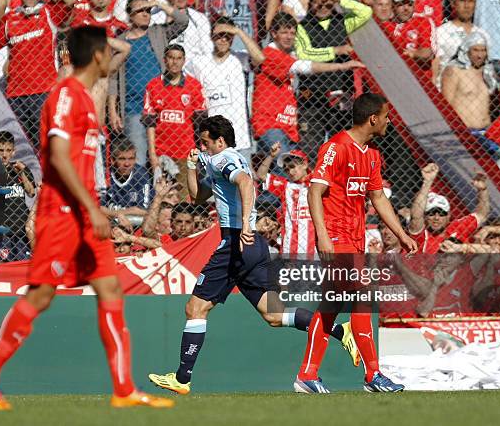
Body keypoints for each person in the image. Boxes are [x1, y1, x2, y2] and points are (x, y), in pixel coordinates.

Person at [0, 26, 174, 410]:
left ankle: (124, 389)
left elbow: (114, 58)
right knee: (41, 295)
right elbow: (59, 158)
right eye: (102, 51)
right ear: (96, 56)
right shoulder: (65, 95)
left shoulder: (83, 94)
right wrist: (93, 209)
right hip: (62, 212)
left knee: (110, 291)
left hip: (84, 213)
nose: (107, 58)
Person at [148, 115, 360, 396]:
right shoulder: (218, 162)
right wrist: (190, 168)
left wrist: (247, 222)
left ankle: (182, 378)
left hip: (237, 241)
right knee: (274, 315)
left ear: (220, 141)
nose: (203, 145)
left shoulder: (224, 159)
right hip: (253, 246)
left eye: (206, 141)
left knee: (195, 309)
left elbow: (247, 184)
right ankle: (340, 331)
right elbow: (199, 197)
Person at [306, 93, 417, 392]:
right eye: (386, 116)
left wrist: (402, 234)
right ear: (373, 119)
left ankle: (307, 375)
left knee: (330, 306)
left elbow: (378, 197)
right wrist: (323, 235)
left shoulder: (372, 155)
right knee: (364, 295)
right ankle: (373, 375)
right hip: (336, 237)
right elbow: (314, 191)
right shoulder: (335, 148)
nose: (389, 121)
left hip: (355, 240)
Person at [252, 12, 364, 164]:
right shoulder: (270, 54)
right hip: (271, 125)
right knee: (282, 172)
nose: (289, 36)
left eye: (292, 33)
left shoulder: (290, 54)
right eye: (284, 32)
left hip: (289, 127)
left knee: (292, 175)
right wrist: (342, 65)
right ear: (274, 33)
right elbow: (304, 67)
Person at [109, 0, 188, 166]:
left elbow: (183, 21)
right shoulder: (121, 41)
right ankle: (142, 191)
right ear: (130, 15)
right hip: (134, 109)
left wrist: (159, 4)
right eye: (141, 10)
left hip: (161, 109)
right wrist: (113, 110)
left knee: (165, 160)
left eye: (148, 10)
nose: (146, 13)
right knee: (139, 161)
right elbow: (113, 77)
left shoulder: (159, 32)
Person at [0, 0, 76, 150]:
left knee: (45, 144)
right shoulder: (9, 18)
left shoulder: (49, 11)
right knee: (20, 147)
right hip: (15, 94)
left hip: (43, 92)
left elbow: (71, 1)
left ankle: (46, 173)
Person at [294, 0, 372, 154]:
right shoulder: (301, 26)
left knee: (344, 150)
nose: (323, 6)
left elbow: (366, 12)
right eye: (318, 2)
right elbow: (304, 53)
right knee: (310, 151)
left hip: (340, 96)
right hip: (311, 97)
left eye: (328, 3)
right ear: (310, 3)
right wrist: (335, 50)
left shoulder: (343, 22)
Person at [185, 16, 265, 160]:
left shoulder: (240, 59)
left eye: (228, 36)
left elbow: (260, 58)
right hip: (211, 137)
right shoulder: (198, 63)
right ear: (212, 36)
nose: (223, 39)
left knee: (243, 180)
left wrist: (237, 31)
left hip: (238, 137)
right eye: (219, 35)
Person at [142, 44, 207, 199]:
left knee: (184, 197)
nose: (175, 62)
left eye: (179, 58)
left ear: (184, 60)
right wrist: (152, 153)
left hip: (185, 151)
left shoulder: (194, 86)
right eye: (171, 58)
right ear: (165, 60)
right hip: (161, 152)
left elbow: (201, 122)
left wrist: (200, 149)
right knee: (161, 196)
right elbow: (150, 123)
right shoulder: (153, 85)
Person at [408, 162, 490, 254]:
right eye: (431, 213)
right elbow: (416, 216)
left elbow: (482, 214)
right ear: (425, 216)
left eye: (442, 213)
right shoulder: (421, 234)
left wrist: (482, 190)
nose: (436, 218)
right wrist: (427, 182)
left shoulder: (458, 227)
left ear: (449, 216)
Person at [256, 143, 316, 256]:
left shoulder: (317, 184)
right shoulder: (285, 185)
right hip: (290, 247)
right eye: (286, 169)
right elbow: (261, 175)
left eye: (292, 166)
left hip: (314, 247)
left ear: (304, 164)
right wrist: (271, 156)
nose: (289, 171)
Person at [0, 131, 36, 261]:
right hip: (2, 228)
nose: (4, 155)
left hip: (21, 228)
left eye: (8, 150)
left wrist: (22, 173)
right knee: (5, 262)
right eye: (0, 150)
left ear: (13, 151)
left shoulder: (19, 168)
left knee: (23, 261)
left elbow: (31, 192)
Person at [441, 32, 498, 132]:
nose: (480, 55)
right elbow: (446, 106)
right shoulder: (454, 70)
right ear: (466, 50)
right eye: (475, 50)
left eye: (483, 50)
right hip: (464, 131)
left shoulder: (488, 72)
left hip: (487, 131)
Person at [434, 0, 491, 89]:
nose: (467, 6)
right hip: (446, 89)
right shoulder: (441, 32)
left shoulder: (483, 35)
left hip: (474, 92)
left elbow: (486, 67)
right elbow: (435, 66)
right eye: (462, 1)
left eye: (471, 1)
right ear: (453, 4)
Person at [381, 0, 436, 85]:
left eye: (410, 4)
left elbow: (427, 54)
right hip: (391, 78)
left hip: (419, 81)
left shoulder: (422, 21)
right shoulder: (384, 24)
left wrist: (410, 54)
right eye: (401, 4)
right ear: (393, 5)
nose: (406, 8)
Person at [150, 0, 213, 66]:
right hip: (166, 67)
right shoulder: (154, 18)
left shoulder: (200, 18)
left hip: (194, 68)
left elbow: (207, 50)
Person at [106, 134, 154, 218]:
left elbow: (144, 211)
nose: (127, 164)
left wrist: (111, 213)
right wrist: (130, 211)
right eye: (122, 159)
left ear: (135, 159)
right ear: (112, 160)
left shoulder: (141, 175)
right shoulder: (105, 175)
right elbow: (97, 208)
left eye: (131, 159)